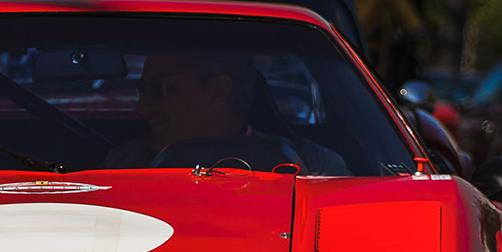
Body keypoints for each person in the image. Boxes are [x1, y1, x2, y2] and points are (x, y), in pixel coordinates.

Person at [110, 52, 348, 174]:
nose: (142, 107)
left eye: (161, 89)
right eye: (143, 90)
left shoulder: (315, 167)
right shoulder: (122, 166)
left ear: (217, 91)